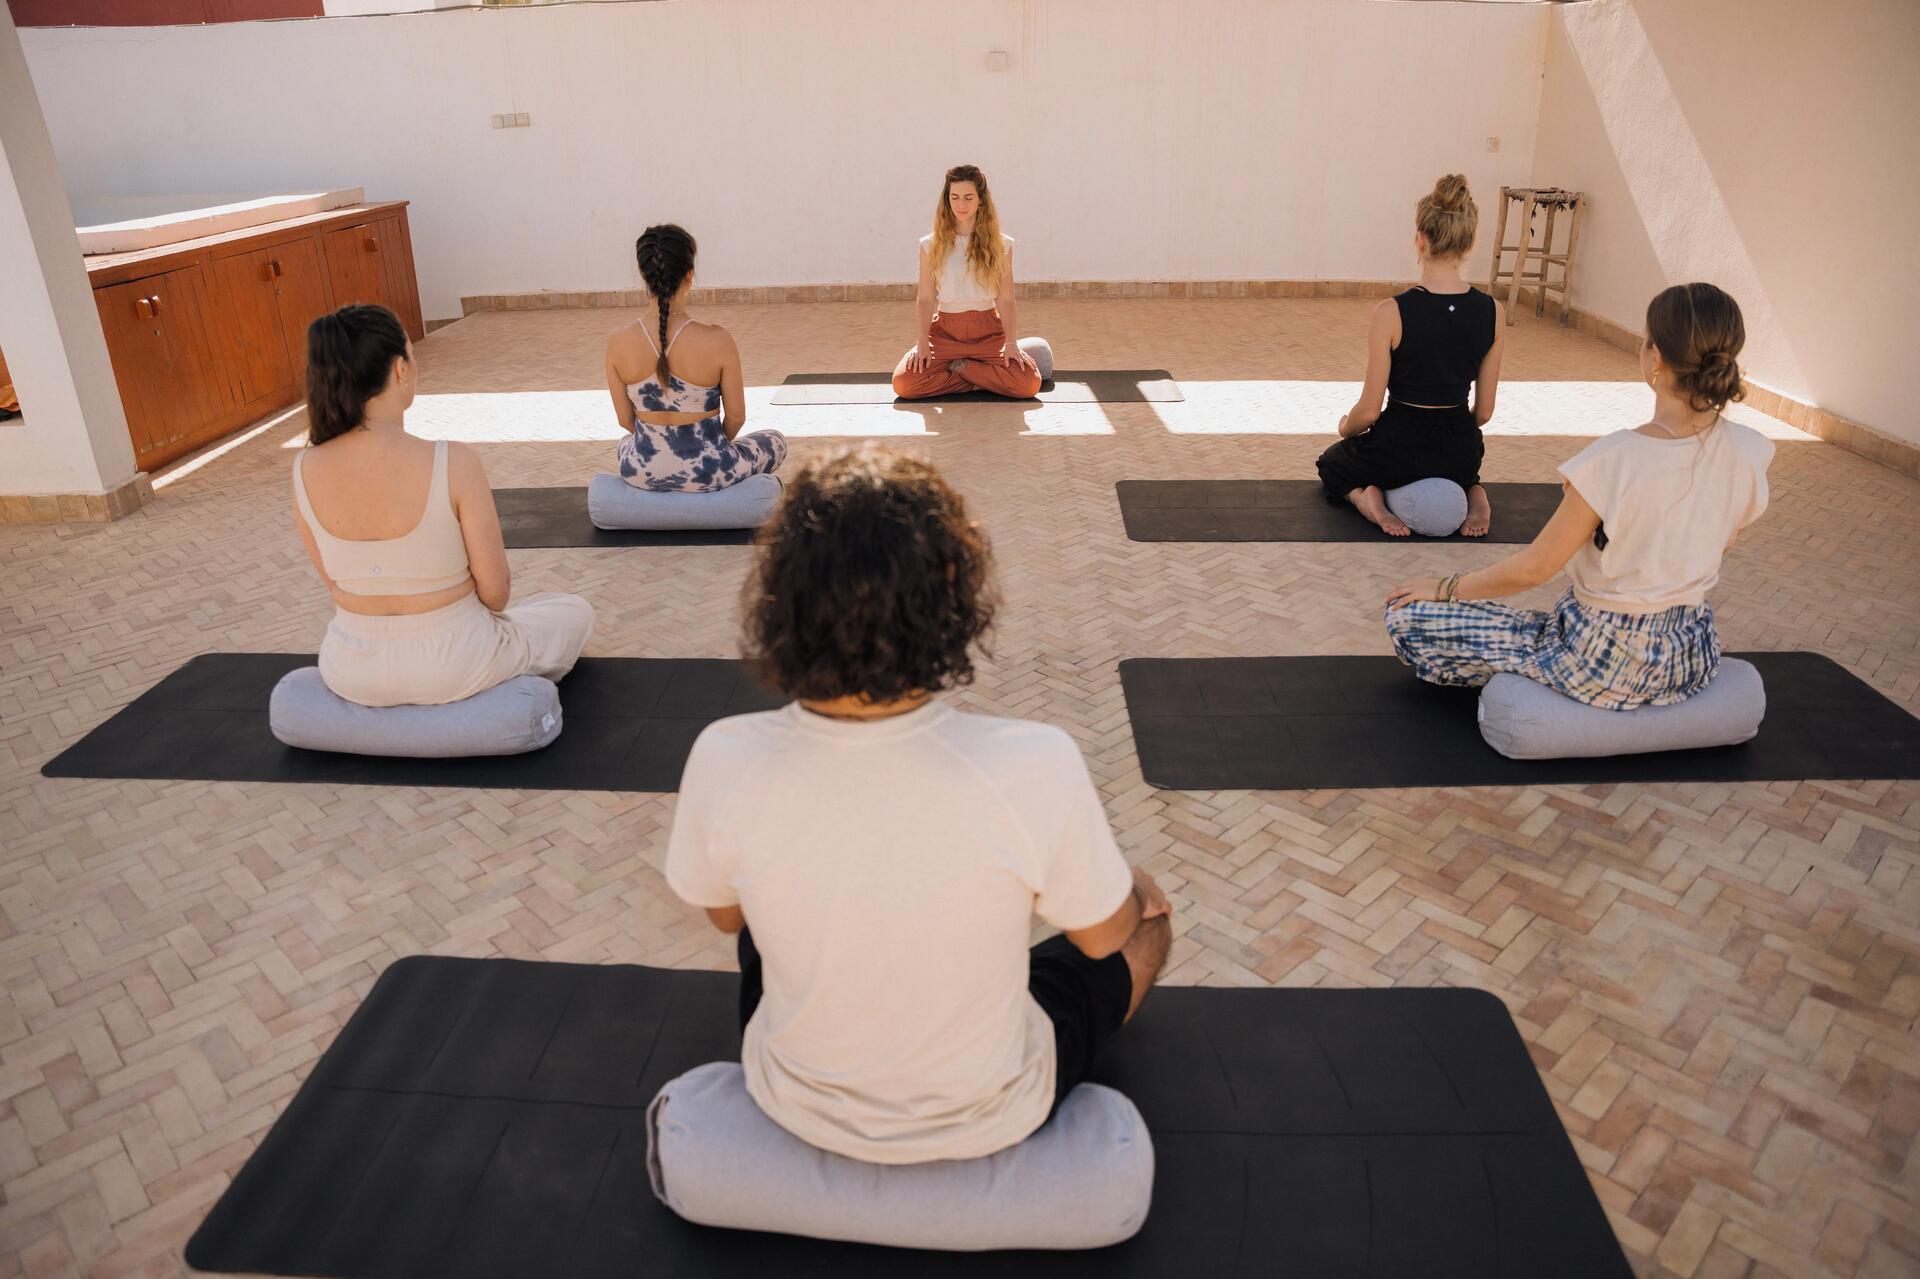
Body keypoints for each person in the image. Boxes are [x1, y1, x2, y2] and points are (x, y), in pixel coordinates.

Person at [665, 445, 1172, 1165]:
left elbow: (725, 918)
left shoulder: (724, 755)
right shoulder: (1034, 762)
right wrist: (1133, 893)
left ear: (784, 605)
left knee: (759, 914)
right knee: (1145, 927)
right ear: (951, 599)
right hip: (992, 1108)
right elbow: (1099, 938)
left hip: (794, 1101)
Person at [1383, 283, 1772, 709]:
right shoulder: (1751, 449)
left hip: (1598, 660)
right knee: (1540, 622)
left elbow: (1534, 570)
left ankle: (1545, 681)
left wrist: (1443, 588)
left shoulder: (1616, 458)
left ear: (1655, 356)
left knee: (1406, 615)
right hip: (1690, 656)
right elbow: (1724, 538)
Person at [292, 303, 594, 707]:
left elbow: (336, 585)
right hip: (456, 663)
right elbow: (496, 594)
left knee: (536, 613)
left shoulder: (303, 467)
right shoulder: (453, 461)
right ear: (400, 369)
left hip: (350, 668)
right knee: (573, 611)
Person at [1316, 174, 1505, 536]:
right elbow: (1483, 412)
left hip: (1399, 447)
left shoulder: (1390, 312)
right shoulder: (1492, 311)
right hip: (1458, 451)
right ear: (1469, 242)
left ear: (1420, 238)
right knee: (1463, 468)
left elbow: (1369, 411)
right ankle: (1474, 491)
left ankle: (1368, 502)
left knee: (1332, 464)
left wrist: (1345, 429)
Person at [607, 224, 787, 490]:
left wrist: (663, 448)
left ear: (642, 273)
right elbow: (736, 418)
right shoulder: (718, 340)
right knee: (775, 440)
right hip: (709, 471)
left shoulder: (617, 341)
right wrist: (707, 450)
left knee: (624, 444)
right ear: (689, 274)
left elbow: (625, 421)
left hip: (642, 471)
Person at [891, 164, 1044, 400]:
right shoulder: (930, 245)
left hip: (989, 331)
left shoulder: (1001, 245)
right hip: (945, 332)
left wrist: (1011, 342)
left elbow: (1005, 300)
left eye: (968, 197)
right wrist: (922, 342)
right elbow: (925, 299)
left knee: (1029, 384)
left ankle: (964, 369)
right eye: (955, 197)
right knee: (904, 384)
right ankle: (982, 380)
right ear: (947, 200)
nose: (961, 205)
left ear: (981, 200)